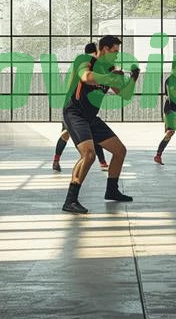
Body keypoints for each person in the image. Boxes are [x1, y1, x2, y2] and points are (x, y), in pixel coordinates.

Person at [61, 35, 139, 213]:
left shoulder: (110, 68)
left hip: (91, 117)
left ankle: (112, 190)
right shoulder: (85, 60)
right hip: (74, 113)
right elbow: (86, 77)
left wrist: (133, 79)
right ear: (103, 49)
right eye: (114, 52)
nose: (116, 56)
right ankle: (70, 199)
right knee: (89, 154)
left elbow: (124, 94)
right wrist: (109, 77)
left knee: (120, 151)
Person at [52, 42, 107, 171]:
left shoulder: (86, 63)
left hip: (76, 105)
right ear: (95, 52)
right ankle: (102, 162)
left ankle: (56, 160)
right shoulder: (85, 62)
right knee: (71, 133)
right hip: (74, 107)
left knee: (66, 134)